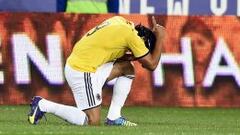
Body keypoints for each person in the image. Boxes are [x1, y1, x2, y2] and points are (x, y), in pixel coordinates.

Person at [27, 16, 165, 126]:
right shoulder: (133, 38)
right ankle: (43, 105)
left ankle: (114, 117)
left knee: (127, 68)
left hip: (83, 64)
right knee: (92, 121)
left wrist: (136, 53)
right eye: (146, 49)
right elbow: (151, 64)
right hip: (82, 71)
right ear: (144, 41)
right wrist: (160, 37)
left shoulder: (122, 22)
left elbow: (111, 49)